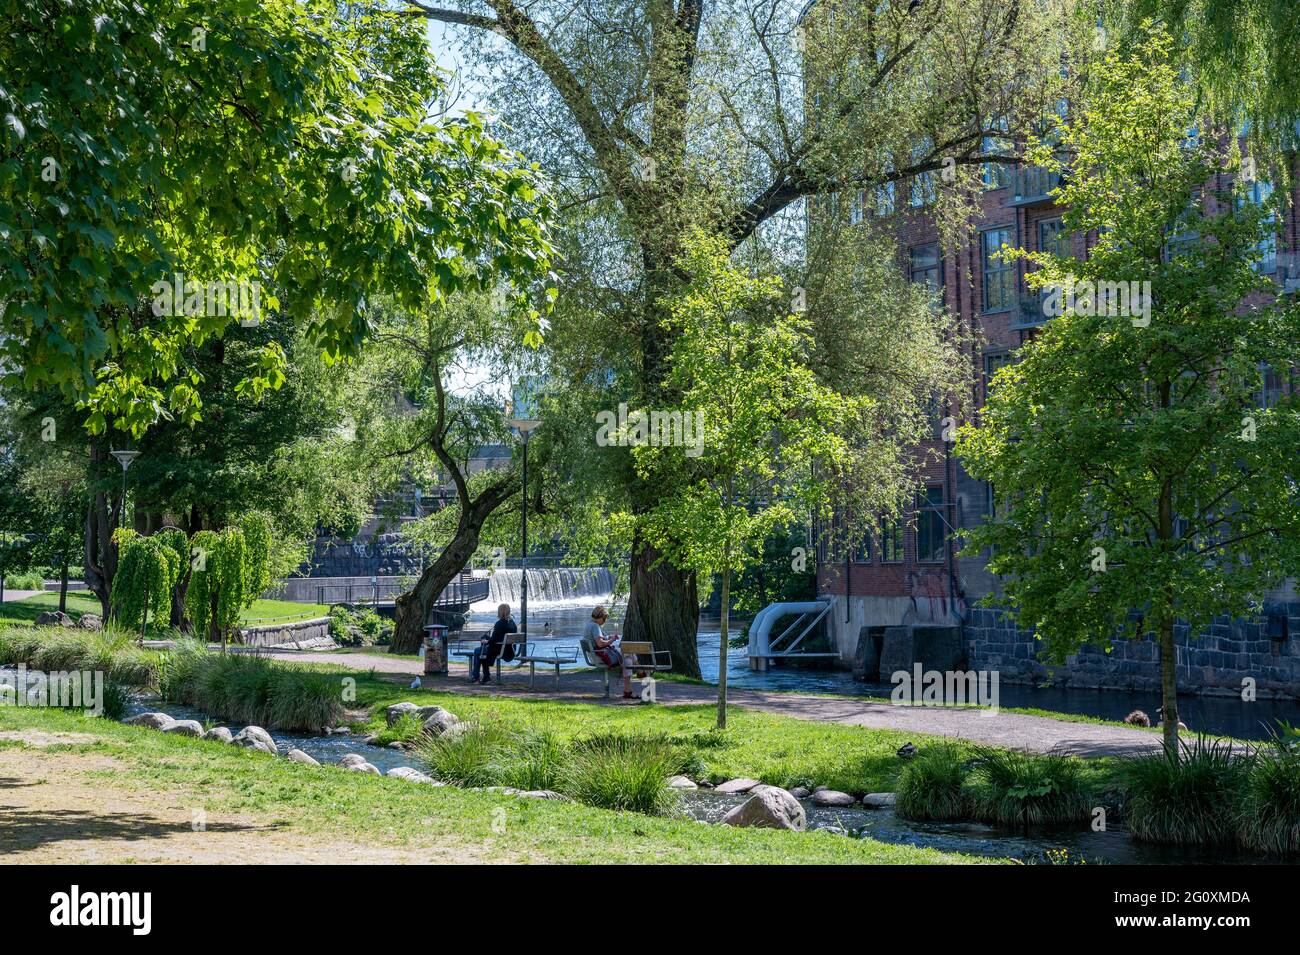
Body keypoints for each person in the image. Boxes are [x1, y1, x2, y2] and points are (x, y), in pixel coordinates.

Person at [584, 605, 634, 699]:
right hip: (599, 656)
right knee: (628, 656)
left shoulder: (589, 624)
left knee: (628, 658)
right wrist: (612, 640)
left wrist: (608, 637)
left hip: (594, 655)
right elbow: (600, 644)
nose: (604, 621)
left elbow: (598, 640)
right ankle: (637, 676)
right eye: (604, 619)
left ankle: (630, 688)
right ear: (600, 617)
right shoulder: (595, 626)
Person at [472, 603, 517, 685]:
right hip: (510, 650)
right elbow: (498, 638)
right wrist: (489, 640)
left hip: (500, 650)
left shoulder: (499, 623)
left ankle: (476, 677)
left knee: (477, 651)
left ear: (500, 612)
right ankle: (485, 677)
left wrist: (486, 641)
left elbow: (493, 640)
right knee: (482, 651)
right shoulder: (512, 623)